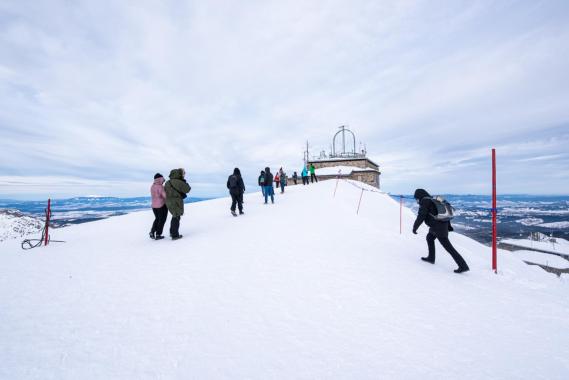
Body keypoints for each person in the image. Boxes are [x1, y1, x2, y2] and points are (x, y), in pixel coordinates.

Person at [412, 188, 470, 274]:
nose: (416, 200)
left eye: (416, 198)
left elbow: (421, 216)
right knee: (429, 238)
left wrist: (415, 227)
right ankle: (431, 258)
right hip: (440, 225)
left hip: (438, 227)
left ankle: (463, 266)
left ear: (419, 196)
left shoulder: (425, 201)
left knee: (448, 247)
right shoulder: (431, 199)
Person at [164, 168, 191, 240]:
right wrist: (184, 181)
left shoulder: (167, 182)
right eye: (183, 173)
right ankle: (174, 235)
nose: (184, 175)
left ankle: (172, 232)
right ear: (179, 174)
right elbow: (188, 189)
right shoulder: (179, 182)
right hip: (176, 201)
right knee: (176, 216)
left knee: (175, 216)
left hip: (168, 201)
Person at [149, 173, 168, 240]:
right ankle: (158, 234)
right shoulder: (160, 187)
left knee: (157, 219)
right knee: (162, 220)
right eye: (163, 179)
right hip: (161, 205)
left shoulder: (152, 186)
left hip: (154, 206)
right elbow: (165, 196)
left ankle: (152, 231)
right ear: (160, 179)